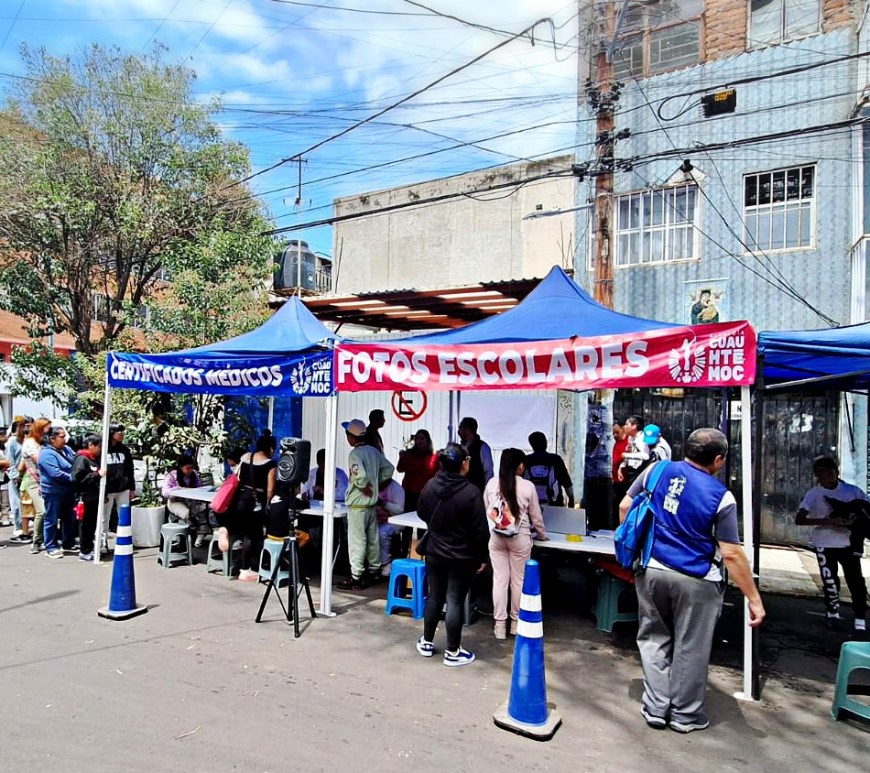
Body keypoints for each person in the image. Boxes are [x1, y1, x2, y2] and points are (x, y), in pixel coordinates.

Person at [619, 427, 765, 733]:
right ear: (718, 460)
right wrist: (753, 598)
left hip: (652, 569)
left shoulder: (657, 470)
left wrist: (636, 549)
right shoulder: (721, 497)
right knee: (692, 645)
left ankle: (656, 707)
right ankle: (684, 715)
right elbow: (731, 554)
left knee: (653, 637)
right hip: (698, 579)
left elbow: (625, 506)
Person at [415, 443, 489, 666]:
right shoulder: (471, 493)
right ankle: (453, 652)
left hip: (434, 552)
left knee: (435, 596)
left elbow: (421, 511)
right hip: (461, 556)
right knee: (455, 599)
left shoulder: (430, 485)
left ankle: (426, 642)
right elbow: (480, 531)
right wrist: (482, 557)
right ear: (463, 464)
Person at [795, 455, 868, 634]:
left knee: (855, 581)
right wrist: (828, 521)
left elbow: (866, 511)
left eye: (829, 471)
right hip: (824, 543)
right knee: (830, 581)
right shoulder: (814, 494)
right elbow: (800, 519)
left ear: (836, 472)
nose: (826, 476)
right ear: (816, 475)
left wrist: (854, 520)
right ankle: (832, 613)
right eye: (821, 473)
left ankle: (860, 618)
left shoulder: (852, 491)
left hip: (849, 543)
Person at [486, 447, 548, 639]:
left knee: (499, 580)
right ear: (520, 466)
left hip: (497, 537)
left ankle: (499, 626)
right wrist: (542, 535)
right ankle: (515, 624)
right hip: (519, 538)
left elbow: (487, 509)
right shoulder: (527, 486)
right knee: (518, 581)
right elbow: (536, 517)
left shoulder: (492, 483)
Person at [339, 418, 395, 590]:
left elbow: (361, 476)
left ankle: (356, 576)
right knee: (372, 540)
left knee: (357, 541)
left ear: (351, 437)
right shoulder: (373, 451)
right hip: (371, 505)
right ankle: (374, 570)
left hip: (358, 505)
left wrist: (365, 485)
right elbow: (389, 469)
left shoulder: (354, 454)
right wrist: (376, 481)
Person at [215, 432, 277, 582]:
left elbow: (238, 478)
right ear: (271, 448)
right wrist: (268, 502)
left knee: (241, 528)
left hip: (239, 497)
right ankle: (245, 570)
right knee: (250, 536)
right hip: (254, 502)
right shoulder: (270, 464)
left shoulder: (246, 457)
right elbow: (270, 490)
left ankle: (225, 529)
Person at [38, 425, 77, 558]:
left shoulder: (67, 449)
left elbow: (76, 461)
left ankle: (68, 542)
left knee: (69, 518)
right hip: (53, 491)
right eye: (61, 436)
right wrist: (73, 477)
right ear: (52, 439)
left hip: (69, 490)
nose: (64, 439)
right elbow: (55, 473)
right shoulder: (46, 453)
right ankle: (50, 546)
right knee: (52, 519)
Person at [162, 455, 210, 548]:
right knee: (188, 513)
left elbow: (199, 488)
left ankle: (201, 534)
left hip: (191, 501)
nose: (190, 470)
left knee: (203, 510)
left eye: (191, 468)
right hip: (175, 501)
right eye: (187, 468)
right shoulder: (172, 475)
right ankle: (186, 537)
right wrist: (179, 489)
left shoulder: (194, 474)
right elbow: (165, 492)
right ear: (181, 467)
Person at [71, 434, 107, 561]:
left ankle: (90, 548)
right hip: (85, 498)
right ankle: (84, 551)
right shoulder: (82, 459)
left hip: (94, 497)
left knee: (91, 525)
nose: (100, 449)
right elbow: (78, 478)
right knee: (85, 526)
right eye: (99, 446)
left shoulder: (93, 459)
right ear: (90, 445)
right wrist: (97, 475)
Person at [103, 424, 136, 554]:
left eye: (123, 432)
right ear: (111, 433)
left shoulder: (124, 449)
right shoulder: (103, 448)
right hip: (107, 489)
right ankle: (102, 543)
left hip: (123, 487)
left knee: (124, 515)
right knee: (104, 517)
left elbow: (130, 469)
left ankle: (125, 541)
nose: (121, 434)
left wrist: (131, 487)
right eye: (118, 432)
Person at [21, 417, 50, 554]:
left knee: (50, 511)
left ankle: (47, 539)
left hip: (47, 478)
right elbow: (40, 460)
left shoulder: (43, 442)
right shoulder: (30, 443)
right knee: (42, 511)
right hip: (34, 479)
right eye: (47, 428)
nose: (49, 430)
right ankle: (36, 541)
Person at [524, 431, 574, 508]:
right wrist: (571, 498)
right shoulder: (556, 459)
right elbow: (566, 481)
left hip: (531, 507)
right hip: (555, 506)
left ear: (531, 445)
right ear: (545, 443)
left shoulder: (526, 460)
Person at [396, 429, 438, 512]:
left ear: (427, 440)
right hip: (410, 492)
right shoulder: (410, 454)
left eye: (422, 438)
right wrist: (401, 458)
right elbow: (400, 469)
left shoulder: (434, 456)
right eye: (417, 438)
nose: (419, 441)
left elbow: (438, 473)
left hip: (427, 492)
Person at [376, 476, 406, 578]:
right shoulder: (373, 485)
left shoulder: (397, 488)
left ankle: (385, 563)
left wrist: (384, 503)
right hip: (377, 519)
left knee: (381, 532)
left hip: (394, 520)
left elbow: (400, 510)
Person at [457, 416, 493, 490]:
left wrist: (486, 491)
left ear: (467, 429)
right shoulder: (459, 448)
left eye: (460, 427)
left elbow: (488, 472)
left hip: (477, 491)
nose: (458, 431)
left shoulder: (483, 447)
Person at [617, 416, 647, 488]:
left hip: (639, 472)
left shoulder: (642, 439)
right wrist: (622, 466)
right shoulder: (631, 438)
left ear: (634, 426)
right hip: (631, 471)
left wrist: (626, 455)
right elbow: (630, 452)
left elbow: (645, 455)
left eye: (627, 424)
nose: (624, 427)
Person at [611, 421, 630, 527]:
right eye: (613, 433)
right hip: (617, 480)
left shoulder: (629, 441)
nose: (615, 435)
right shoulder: (617, 445)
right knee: (617, 503)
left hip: (628, 479)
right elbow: (615, 461)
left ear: (623, 429)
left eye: (617, 432)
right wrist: (623, 455)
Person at [0, 426, 10, 527]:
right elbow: (7, 462)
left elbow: (9, 462)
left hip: (4, 476)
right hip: (3, 473)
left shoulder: (6, 447)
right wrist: (4, 463)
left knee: (5, 499)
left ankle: (5, 517)